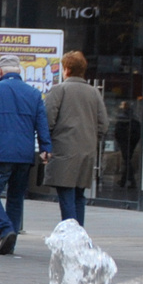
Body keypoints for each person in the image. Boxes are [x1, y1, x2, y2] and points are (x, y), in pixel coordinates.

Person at [0, 55, 51, 256]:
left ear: (1, 72)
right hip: (23, 155)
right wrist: (46, 147)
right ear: (19, 71)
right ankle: (10, 242)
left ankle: (6, 229)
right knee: (15, 197)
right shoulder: (33, 94)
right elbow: (42, 124)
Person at [43, 50, 108, 226]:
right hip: (87, 150)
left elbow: (48, 120)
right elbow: (103, 124)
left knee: (66, 195)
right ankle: (80, 234)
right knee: (79, 195)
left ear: (66, 69)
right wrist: (91, 139)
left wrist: (47, 143)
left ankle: (71, 236)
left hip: (64, 149)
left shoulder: (59, 90)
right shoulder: (94, 92)